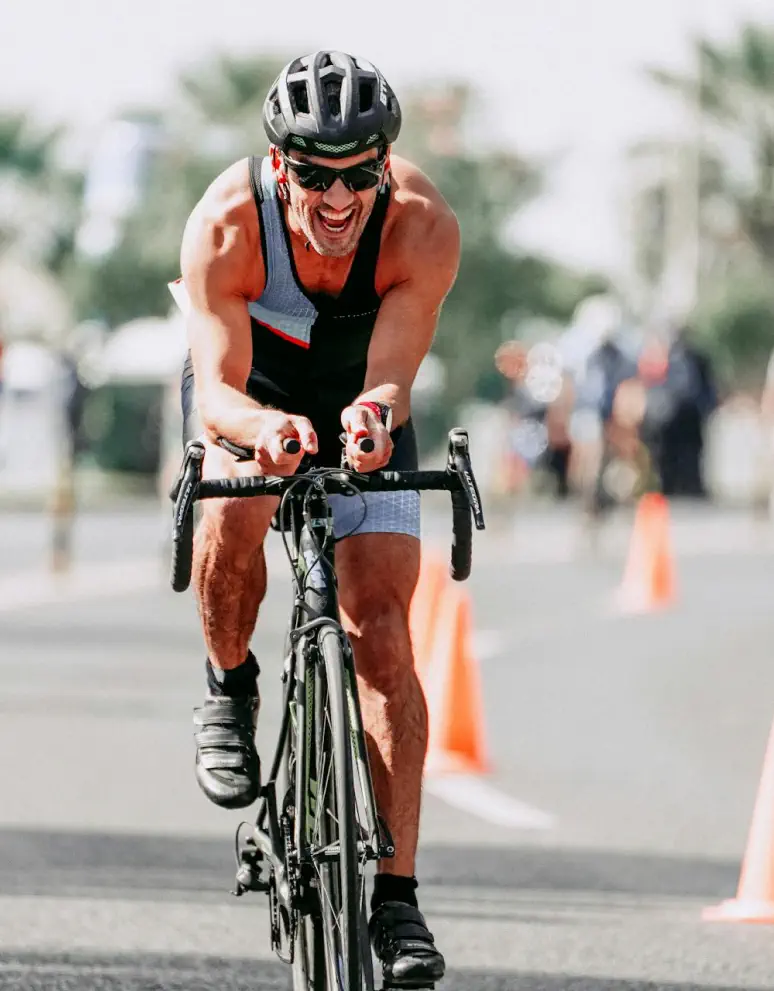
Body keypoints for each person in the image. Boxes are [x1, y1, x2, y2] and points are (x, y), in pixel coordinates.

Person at [177, 50, 459, 987]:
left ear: (386, 164)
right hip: (252, 393)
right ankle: (229, 682)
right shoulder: (226, 225)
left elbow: (392, 373)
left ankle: (397, 897)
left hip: (359, 395)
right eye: (312, 174)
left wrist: (374, 416)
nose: (337, 197)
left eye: (359, 172)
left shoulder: (421, 228)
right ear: (276, 163)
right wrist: (265, 430)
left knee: (383, 635)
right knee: (239, 513)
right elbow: (216, 391)